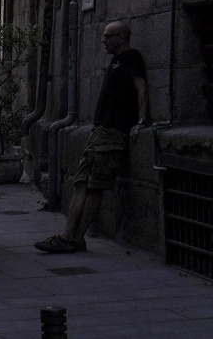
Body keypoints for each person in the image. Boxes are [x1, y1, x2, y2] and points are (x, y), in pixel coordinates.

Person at [37, 19, 148, 253]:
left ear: (122, 38)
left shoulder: (132, 58)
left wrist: (140, 122)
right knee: (81, 182)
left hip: (113, 132)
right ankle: (68, 236)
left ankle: (74, 238)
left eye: (108, 36)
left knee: (95, 185)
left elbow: (141, 90)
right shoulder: (115, 61)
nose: (103, 40)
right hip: (99, 130)